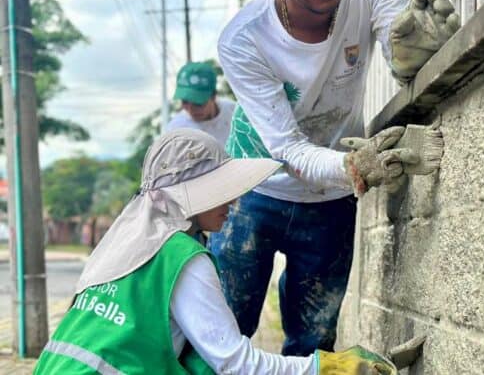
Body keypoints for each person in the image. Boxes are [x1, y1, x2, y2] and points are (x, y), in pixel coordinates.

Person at [209, 0, 459, 357]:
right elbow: (285, 148)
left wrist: (415, 51)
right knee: (222, 336)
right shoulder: (243, 40)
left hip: (329, 203)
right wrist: (350, 166)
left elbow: (399, 55)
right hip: (252, 193)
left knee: (313, 343)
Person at [33, 129, 398, 375]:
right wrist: (328, 366)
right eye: (220, 187)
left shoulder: (125, 242)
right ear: (193, 192)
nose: (234, 199)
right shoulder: (183, 257)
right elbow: (235, 363)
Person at [166, 61, 236, 147]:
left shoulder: (233, 113)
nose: (191, 109)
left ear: (213, 96)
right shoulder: (177, 130)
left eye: (198, 103)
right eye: (185, 102)